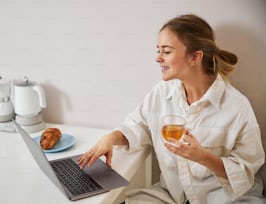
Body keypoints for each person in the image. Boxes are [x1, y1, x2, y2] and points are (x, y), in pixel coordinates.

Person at [77, 14, 265, 204]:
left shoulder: (236, 106)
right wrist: (110, 138)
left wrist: (203, 157)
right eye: (158, 50)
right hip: (173, 197)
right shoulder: (162, 92)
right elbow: (137, 126)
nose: (158, 58)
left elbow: (247, 168)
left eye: (166, 52)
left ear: (195, 57)